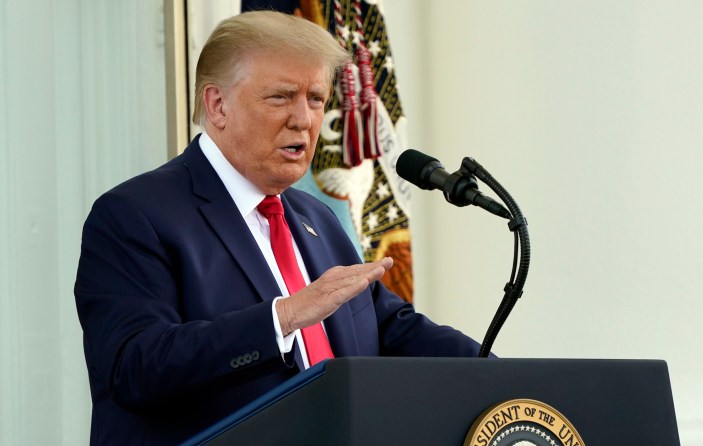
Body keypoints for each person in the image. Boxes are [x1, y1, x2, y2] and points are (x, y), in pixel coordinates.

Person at [74, 10, 482, 445]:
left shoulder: (316, 217)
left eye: (316, 99)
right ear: (217, 105)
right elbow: (133, 367)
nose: (304, 120)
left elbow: (393, 329)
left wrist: (510, 381)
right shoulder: (134, 215)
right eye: (281, 97)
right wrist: (283, 318)